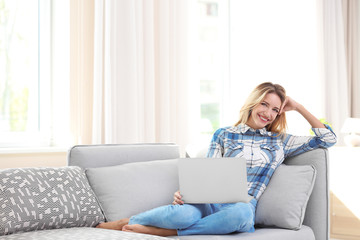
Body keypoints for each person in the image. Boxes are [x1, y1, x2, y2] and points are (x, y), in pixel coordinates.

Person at [96, 82, 337, 236]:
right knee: (183, 214)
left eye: (275, 109)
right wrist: (187, 192)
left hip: (242, 205)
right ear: (253, 103)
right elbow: (209, 170)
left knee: (241, 215)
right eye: (264, 104)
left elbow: (328, 138)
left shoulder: (280, 141)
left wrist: (298, 106)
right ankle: (123, 223)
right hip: (209, 201)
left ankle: (169, 233)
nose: (268, 113)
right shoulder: (224, 134)